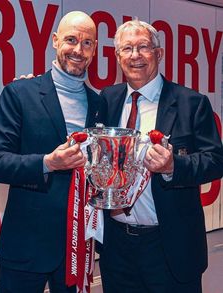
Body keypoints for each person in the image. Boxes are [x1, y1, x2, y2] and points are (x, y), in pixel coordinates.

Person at [98, 19, 223, 293]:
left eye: (143, 47)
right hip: (117, 248)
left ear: (159, 53)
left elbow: (215, 160)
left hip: (170, 246)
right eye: (127, 48)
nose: (135, 56)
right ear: (118, 57)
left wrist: (172, 166)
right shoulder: (107, 99)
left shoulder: (191, 103)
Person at [0, 11, 107, 293]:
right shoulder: (20, 93)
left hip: (77, 247)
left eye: (87, 43)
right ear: (54, 41)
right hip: (26, 245)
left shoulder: (100, 103)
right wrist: (47, 163)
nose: (78, 50)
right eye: (71, 40)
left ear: (95, 49)